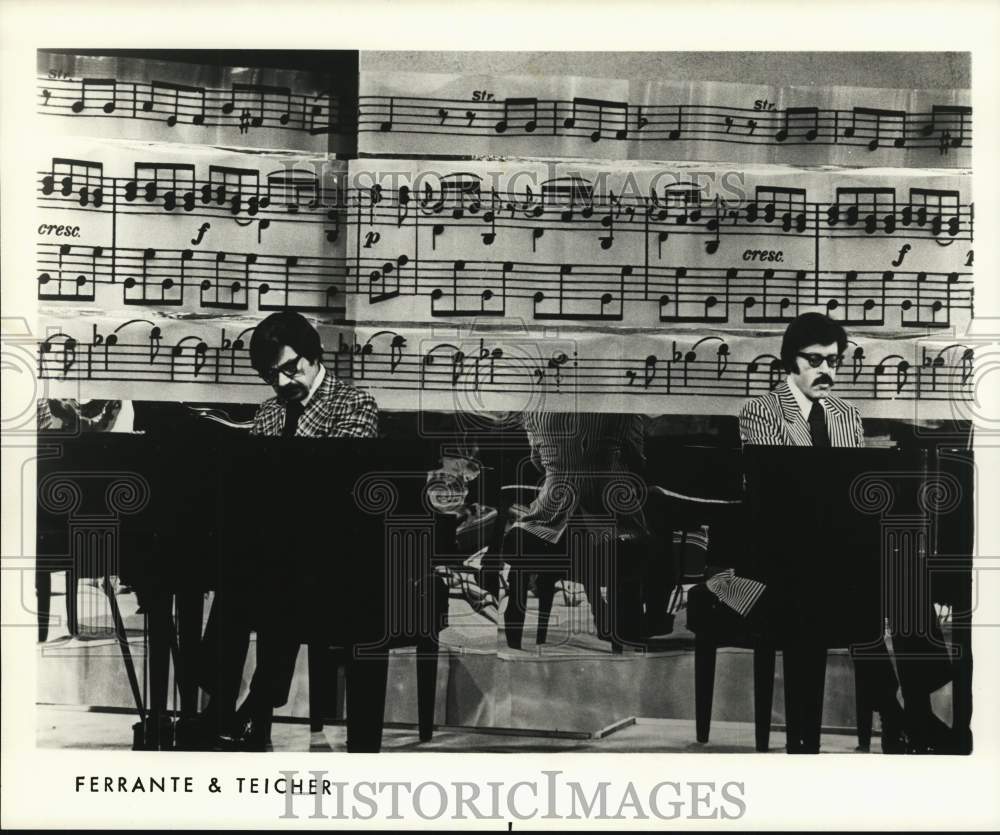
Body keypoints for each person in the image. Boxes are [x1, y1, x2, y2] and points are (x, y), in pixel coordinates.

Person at [726, 312, 953, 753]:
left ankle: (917, 710)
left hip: (835, 551)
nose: (826, 371)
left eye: (834, 361)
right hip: (779, 550)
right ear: (789, 361)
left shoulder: (847, 415)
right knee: (851, 591)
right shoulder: (761, 410)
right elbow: (774, 493)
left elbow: (851, 493)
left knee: (904, 572)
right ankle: (897, 715)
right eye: (815, 360)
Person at [184, 312, 379, 750]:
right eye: (270, 375)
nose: (280, 382)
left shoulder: (354, 402)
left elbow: (341, 489)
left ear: (313, 356)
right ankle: (227, 703)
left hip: (334, 556)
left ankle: (249, 706)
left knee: (267, 576)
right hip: (278, 555)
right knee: (244, 574)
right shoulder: (269, 412)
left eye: (289, 368)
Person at [500, 411, 664, 650]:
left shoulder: (536, 412)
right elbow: (637, 461)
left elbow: (537, 461)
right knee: (630, 535)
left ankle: (516, 640)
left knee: (582, 528)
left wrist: (563, 466)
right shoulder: (622, 413)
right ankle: (631, 624)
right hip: (606, 521)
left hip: (548, 523)